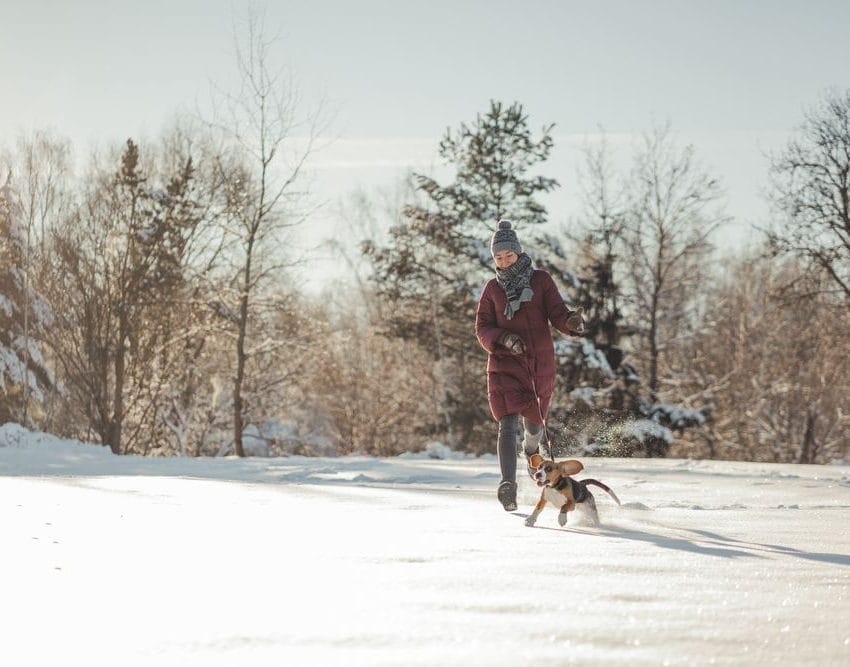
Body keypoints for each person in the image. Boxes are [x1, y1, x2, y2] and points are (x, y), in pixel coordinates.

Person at [475, 219, 585, 511]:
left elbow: (558, 313)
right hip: (505, 366)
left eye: (508, 255)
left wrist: (571, 322)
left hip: (539, 366)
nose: (503, 261)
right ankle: (507, 485)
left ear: (519, 253)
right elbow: (482, 328)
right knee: (507, 424)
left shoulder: (541, 281)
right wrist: (504, 339)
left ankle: (531, 451)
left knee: (534, 427)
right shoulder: (491, 290)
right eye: (498, 257)